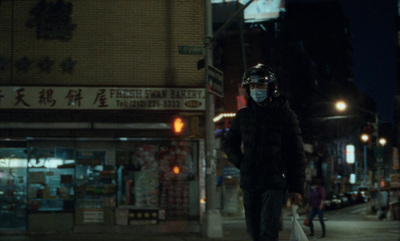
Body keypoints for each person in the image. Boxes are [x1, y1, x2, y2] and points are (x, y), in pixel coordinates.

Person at [223, 63, 306, 241]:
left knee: (268, 232)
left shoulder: (285, 115)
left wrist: (296, 188)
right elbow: (229, 143)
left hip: (274, 182)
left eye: (260, 85)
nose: (256, 90)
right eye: (252, 86)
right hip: (249, 183)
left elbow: (296, 154)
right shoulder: (243, 116)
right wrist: (241, 161)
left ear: (270, 88)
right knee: (254, 232)